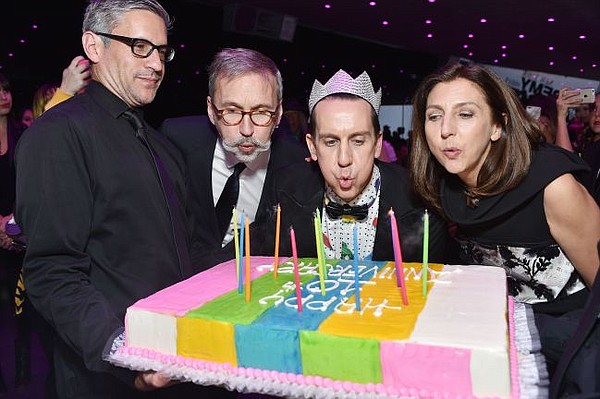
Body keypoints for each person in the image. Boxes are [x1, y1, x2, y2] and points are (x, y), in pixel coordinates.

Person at [15, 1, 195, 397]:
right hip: (107, 377)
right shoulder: (57, 136)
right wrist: (122, 350)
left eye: (162, 51)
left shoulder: (164, 148)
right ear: (93, 46)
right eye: (139, 46)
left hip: (175, 365)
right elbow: (52, 271)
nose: (157, 64)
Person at [408, 62, 600, 392]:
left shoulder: (554, 188)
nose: (445, 130)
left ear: (498, 125)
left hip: (572, 341)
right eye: (434, 115)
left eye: (465, 114)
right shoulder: (442, 185)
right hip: (496, 332)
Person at [252, 69, 451, 263]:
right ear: (312, 147)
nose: (344, 159)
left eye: (358, 141)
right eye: (331, 142)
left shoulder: (420, 198)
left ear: (377, 144)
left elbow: (435, 285)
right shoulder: (284, 188)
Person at [161, 47, 309, 269]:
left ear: (278, 114)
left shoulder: (297, 164)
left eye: (261, 112)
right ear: (211, 111)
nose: (246, 129)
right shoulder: (176, 140)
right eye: (232, 111)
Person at [0, 72, 27, 395]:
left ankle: (22, 367)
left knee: (23, 307)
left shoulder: (24, 134)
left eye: (6, 89)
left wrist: (11, 223)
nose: (4, 96)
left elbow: (32, 186)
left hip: (19, 231)